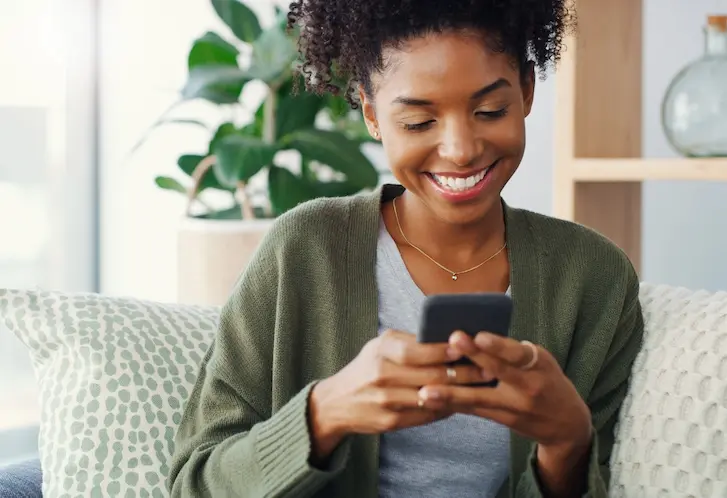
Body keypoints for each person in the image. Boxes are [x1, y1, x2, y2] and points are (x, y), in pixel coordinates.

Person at [167, 0, 644, 496]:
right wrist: (324, 412)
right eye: (419, 122)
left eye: (489, 110)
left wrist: (567, 442)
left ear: (526, 90)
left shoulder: (593, 278)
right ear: (372, 115)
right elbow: (194, 483)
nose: (460, 149)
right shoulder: (305, 250)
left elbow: (600, 477)